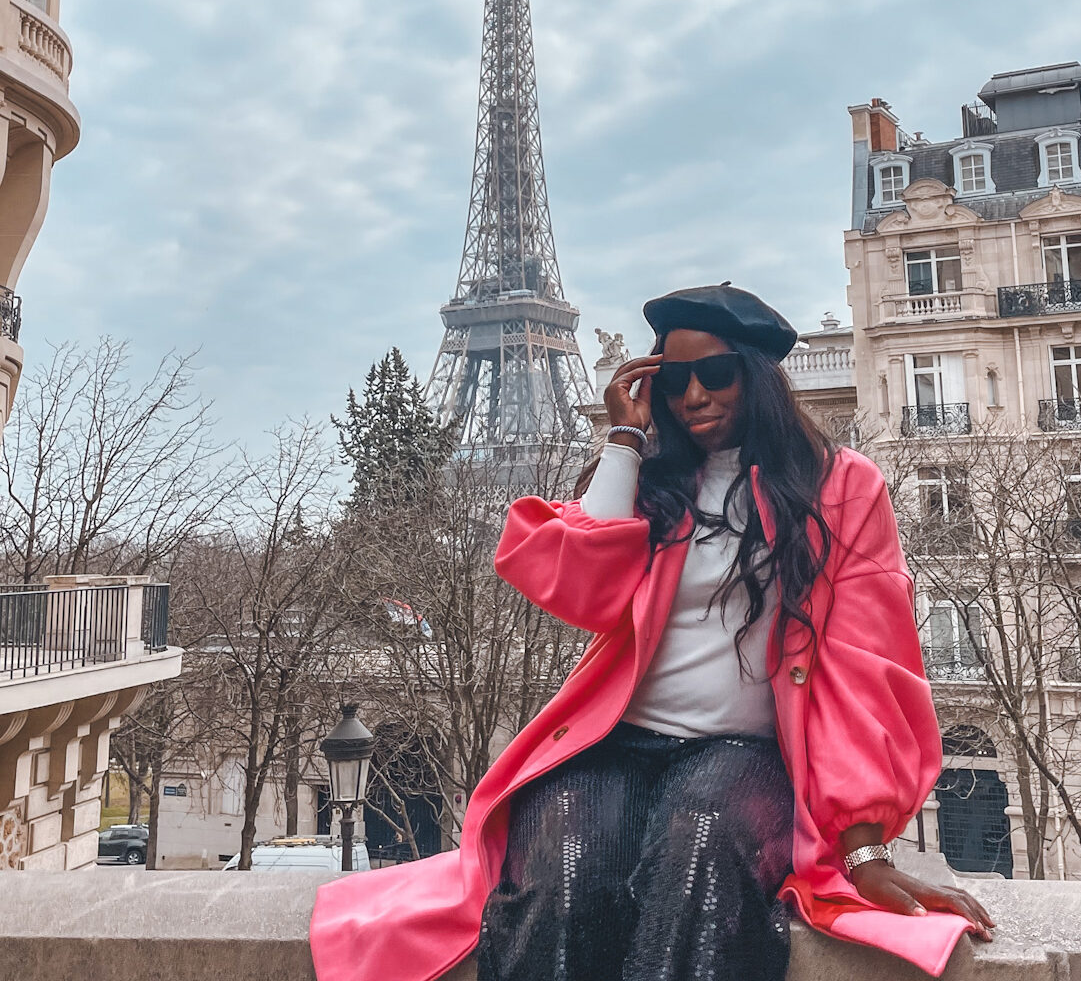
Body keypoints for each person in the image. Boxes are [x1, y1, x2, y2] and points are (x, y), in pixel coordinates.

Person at [310, 284, 994, 981]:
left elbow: (867, 664)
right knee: (562, 875)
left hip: (744, 750)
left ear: (757, 376)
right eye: (673, 379)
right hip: (617, 743)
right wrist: (625, 443)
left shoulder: (841, 488)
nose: (693, 394)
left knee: (700, 847)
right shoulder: (651, 482)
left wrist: (864, 849)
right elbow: (579, 589)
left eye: (715, 374)